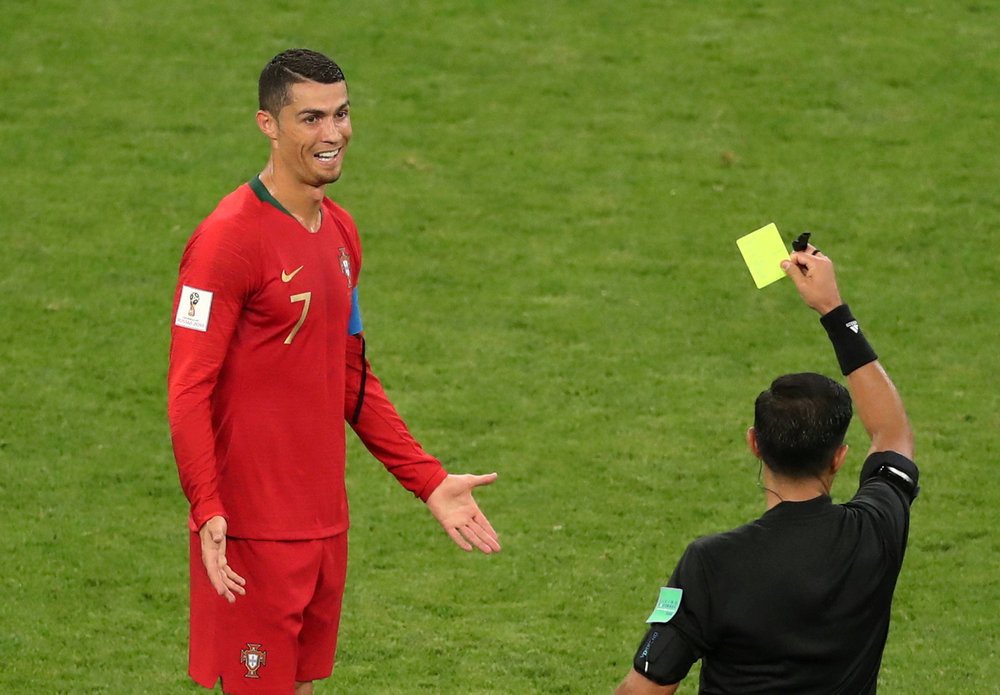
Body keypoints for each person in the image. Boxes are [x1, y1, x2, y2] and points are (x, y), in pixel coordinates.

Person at [168, 48, 501, 695]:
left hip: (324, 527)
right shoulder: (224, 242)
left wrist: (428, 479)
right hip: (253, 532)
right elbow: (187, 390)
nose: (333, 134)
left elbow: (350, 377)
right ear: (268, 124)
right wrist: (207, 506)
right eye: (311, 118)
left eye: (342, 114)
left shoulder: (340, 233)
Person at [615, 243, 919, 694]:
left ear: (754, 445)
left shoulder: (711, 563)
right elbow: (892, 435)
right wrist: (833, 309)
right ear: (840, 457)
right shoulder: (876, 531)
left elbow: (644, 689)